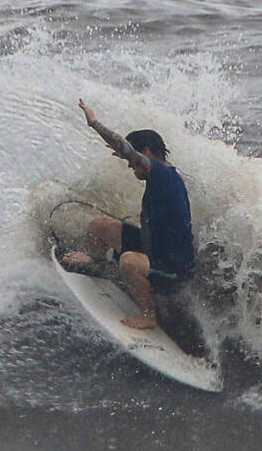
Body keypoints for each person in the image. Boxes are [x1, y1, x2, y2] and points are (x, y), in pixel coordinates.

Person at [63, 99, 194, 329]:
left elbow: (125, 149)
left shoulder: (161, 173)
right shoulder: (165, 173)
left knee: (129, 262)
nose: (129, 166)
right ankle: (98, 262)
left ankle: (149, 313)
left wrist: (94, 124)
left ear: (145, 152)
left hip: (171, 269)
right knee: (98, 225)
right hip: (153, 247)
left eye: (132, 162)